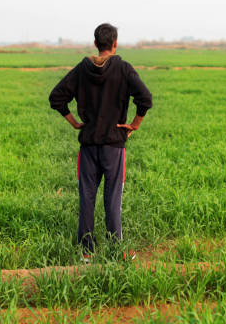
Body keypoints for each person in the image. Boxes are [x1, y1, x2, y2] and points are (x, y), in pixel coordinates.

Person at [49, 23, 153, 261]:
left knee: (86, 196)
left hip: (88, 146)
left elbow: (56, 97)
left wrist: (74, 122)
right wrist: (135, 124)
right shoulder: (124, 69)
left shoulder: (82, 69)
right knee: (113, 197)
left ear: (96, 44)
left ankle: (87, 253)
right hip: (114, 146)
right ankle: (116, 250)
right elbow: (145, 99)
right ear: (115, 43)